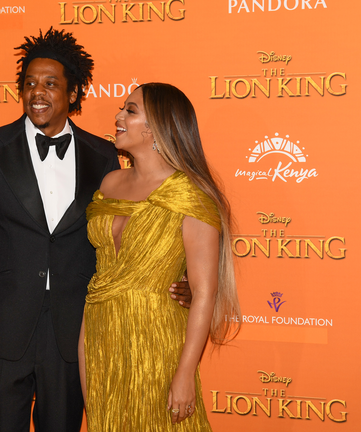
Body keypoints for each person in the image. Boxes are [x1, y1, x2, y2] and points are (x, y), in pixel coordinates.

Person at [0, 29, 193, 432]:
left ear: (73, 92)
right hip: (3, 331)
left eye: (49, 84)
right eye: (29, 84)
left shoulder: (103, 155)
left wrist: (179, 276)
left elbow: (136, 229)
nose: (37, 93)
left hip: (76, 331)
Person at [78, 83, 241, 431]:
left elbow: (204, 294)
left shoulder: (190, 195)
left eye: (131, 110)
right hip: (99, 332)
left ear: (157, 129)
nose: (119, 116)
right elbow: (100, 279)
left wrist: (185, 373)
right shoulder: (109, 183)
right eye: (123, 109)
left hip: (157, 339)